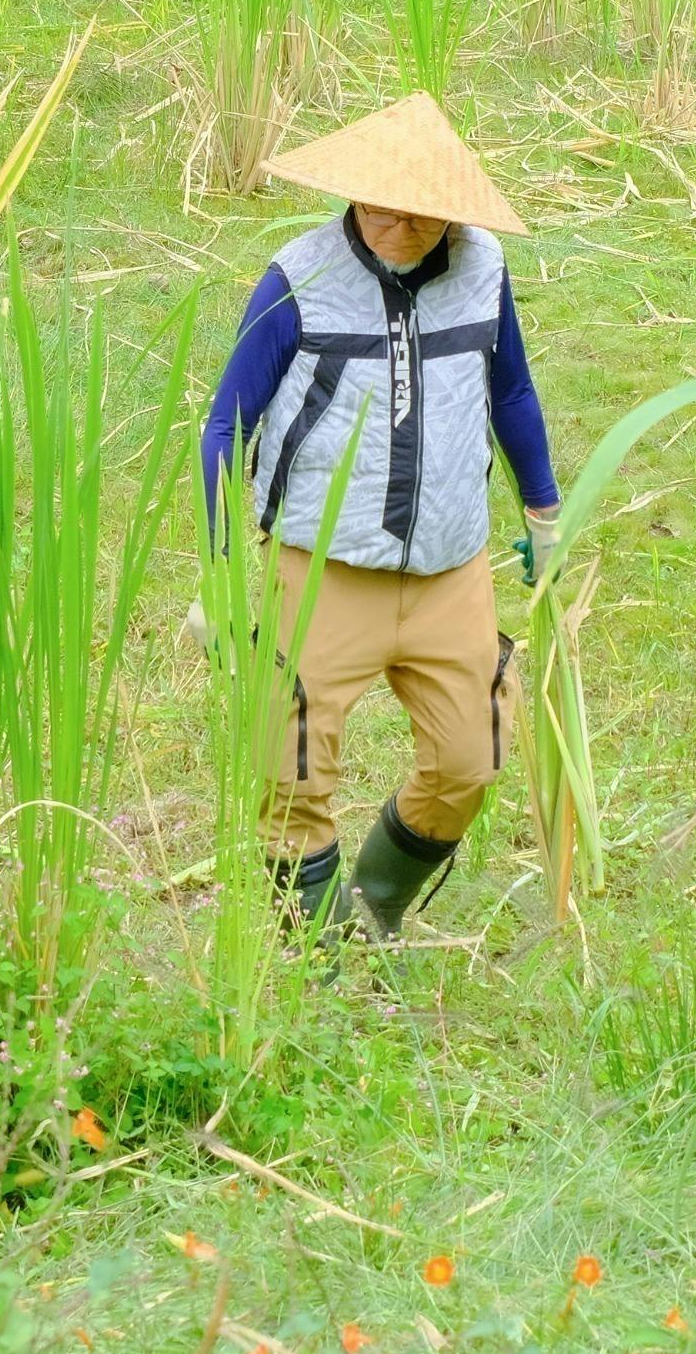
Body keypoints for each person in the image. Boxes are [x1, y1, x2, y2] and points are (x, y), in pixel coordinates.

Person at [199, 94, 561, 942]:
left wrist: (544, 513)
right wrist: (220, 573)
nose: (396, 222)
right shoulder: (299, 276)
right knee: (288, 769)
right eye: (378, 204)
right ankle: (314, 956)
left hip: (451, 570)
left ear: (453, 209)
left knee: (472, 761)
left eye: (419, 211)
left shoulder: (484, 268)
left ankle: (376, 907)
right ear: (352, 194)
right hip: (323, 569)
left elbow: (511, 390)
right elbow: (226, 423)